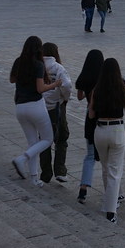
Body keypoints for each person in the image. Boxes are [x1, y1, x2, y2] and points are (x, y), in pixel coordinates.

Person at [10, 36, 63, 185]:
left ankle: (34, 178)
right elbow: (40, 89)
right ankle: (22, 158)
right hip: (35, 106)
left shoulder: (18, 61)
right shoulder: (38, 64)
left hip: (20, 106)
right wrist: (55, 84)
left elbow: (12, 79)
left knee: (32, 142)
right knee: (48, 139)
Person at [89, 57, 125, 223]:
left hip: (100, 130)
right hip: (117, 129)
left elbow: (91, 114)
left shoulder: (96, 90)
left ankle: (109, 201)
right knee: (115, 171)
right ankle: (111, 210)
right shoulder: (123, 90)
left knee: (106, 168)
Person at [38, 42, 72, 183]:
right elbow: (67, 85)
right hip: (56, 105)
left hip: (39, 106)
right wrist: (65, 98)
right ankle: (60, 170)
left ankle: (46, 173)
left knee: (44, 140)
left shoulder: (38, 66)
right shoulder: (58, 68)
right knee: (62, 136)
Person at [75, 49, 104, 205]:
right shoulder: (103, 78)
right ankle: (116, 192)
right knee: (108, 158)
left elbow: (79, 97)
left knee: (90, 155)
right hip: (104, 116)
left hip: (89, 115)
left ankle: (83, 190)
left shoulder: (84, 76)